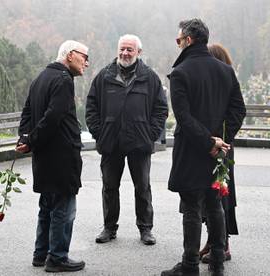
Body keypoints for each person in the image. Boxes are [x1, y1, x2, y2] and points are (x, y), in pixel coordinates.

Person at [161, 19, 246, 276]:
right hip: (218, 153)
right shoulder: (225, 70)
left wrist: (210, 142)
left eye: (178, 40)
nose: (177, 44)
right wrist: (221, 140)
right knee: (215, 204)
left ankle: (189, 265)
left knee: (191, 208)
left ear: (189, 40)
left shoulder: (180, 73)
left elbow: (184, 118)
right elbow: (238, 110)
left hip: (191, 150)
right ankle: (217, 263)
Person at [85, 34, 168, 246]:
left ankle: (146, 229)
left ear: (139, 52)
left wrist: (151, 134)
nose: (125, 53)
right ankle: (109, 228)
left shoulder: (149, 77)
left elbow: (160, 109)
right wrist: (99, 133)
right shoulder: (104, 76)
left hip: (139, 143)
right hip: (111, 143)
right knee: (109, 187)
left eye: (130, 49)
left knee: (142, 187)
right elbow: (91, 107)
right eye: (122, 49)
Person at [16, 40, 89, 273]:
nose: (86, 62)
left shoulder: (41, 78)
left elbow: (27, 113)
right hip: (61, 157)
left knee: (47, 205)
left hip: (44, 157)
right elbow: (53, 117)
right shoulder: (63, 80)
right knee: (64, 208)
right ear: (69, 55)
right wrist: (31, 139)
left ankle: (41, 254)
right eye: (84, 56)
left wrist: (26, 138)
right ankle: (57, 258)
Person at [199, 43, 239, 264]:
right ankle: (212, 240)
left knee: (222, 195)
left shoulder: (227, 83)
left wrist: (223, 138)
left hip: (222, 148)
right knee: (208, 196)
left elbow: (236, 112)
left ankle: (223, 244)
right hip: (205, 145)